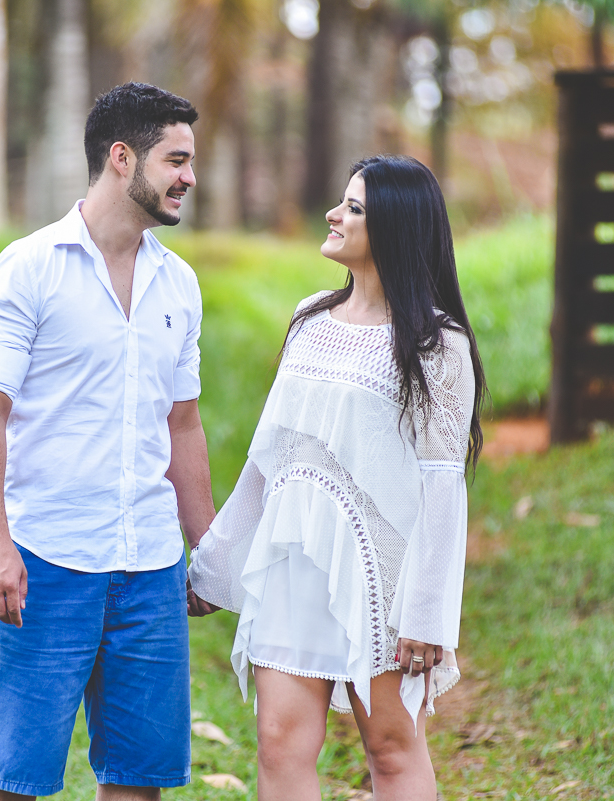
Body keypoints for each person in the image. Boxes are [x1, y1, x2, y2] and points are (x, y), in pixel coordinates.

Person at [187, 154, 486, 800]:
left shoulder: (439, 345)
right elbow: (272, 458)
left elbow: (442, 486)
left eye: (354, 207)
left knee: (391, 745)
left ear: (396, 230)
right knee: (279, 742)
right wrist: (213, 562)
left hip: (381, 578)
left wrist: (428, 614)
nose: (334, 214)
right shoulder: (309, 321)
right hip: (293, 565)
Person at [0, 82, 216, 801]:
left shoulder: (180, 285)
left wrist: (207, 547)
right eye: (177, 159)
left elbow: (183, 422)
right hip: (47, 562)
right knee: (11, 780)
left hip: (150, 568)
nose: (190, 177)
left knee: (138, 781)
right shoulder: (28, 269)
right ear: (121, 157)